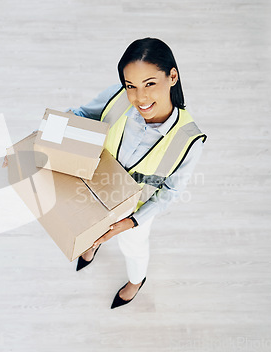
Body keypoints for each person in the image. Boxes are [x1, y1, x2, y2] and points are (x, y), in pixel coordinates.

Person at [69, 38, 206, 309]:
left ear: (173, 76)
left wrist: (133, 222)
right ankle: (93, 245)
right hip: (94, 188)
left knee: (133, 249)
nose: (139, 98)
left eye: (150, 84)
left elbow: (171, 192)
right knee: (89, 227)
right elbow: (84, 113)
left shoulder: (189, 139)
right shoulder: (118, 98)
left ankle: (136, 281)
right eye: (131, 85)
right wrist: (53, 132)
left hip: (134, 212)